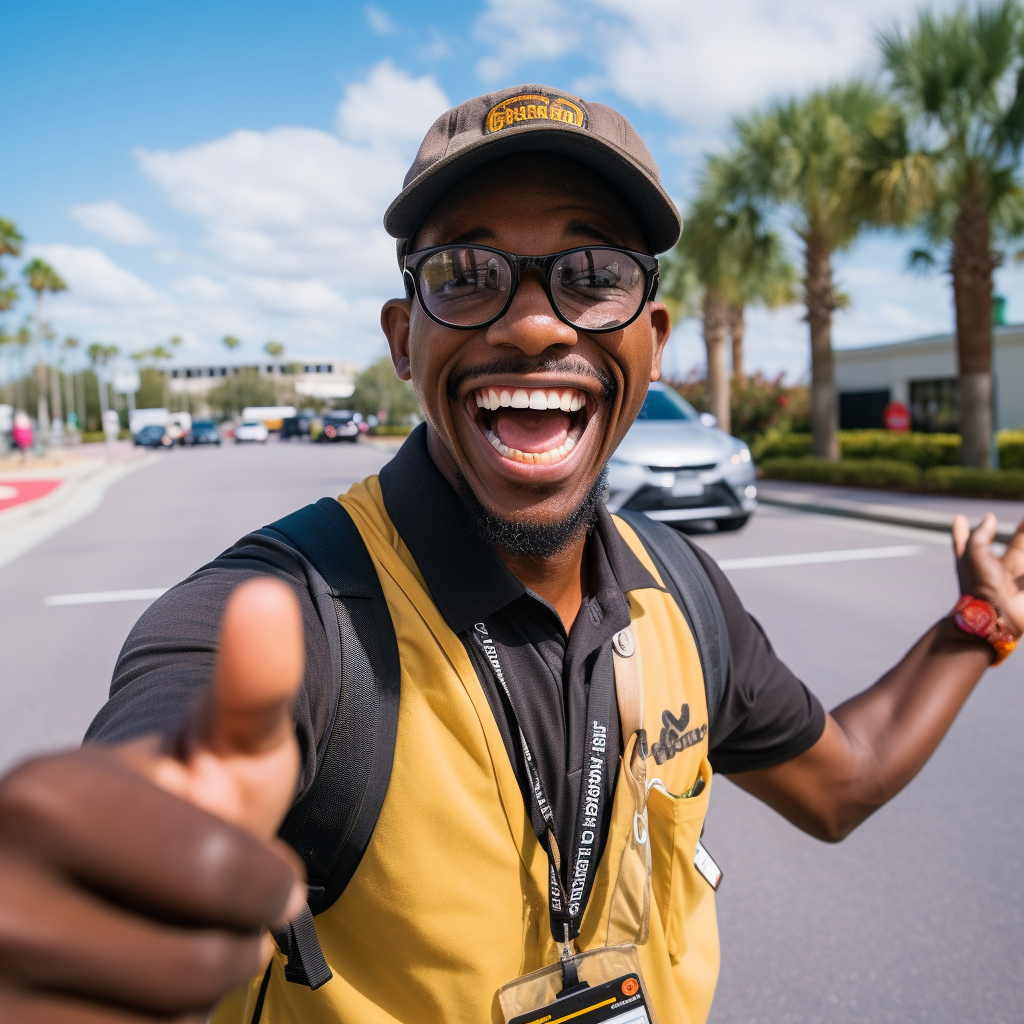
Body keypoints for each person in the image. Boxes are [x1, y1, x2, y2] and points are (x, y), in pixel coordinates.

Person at [0, 84, 1021, 1024]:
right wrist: (115, 875)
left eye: (592, 275)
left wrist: (976, 625)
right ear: (405, 338)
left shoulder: (681, 590)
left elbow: (838, 784)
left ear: (653, 340)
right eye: (467, 274)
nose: (534, 324)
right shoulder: (283, 612)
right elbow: (157, 775)